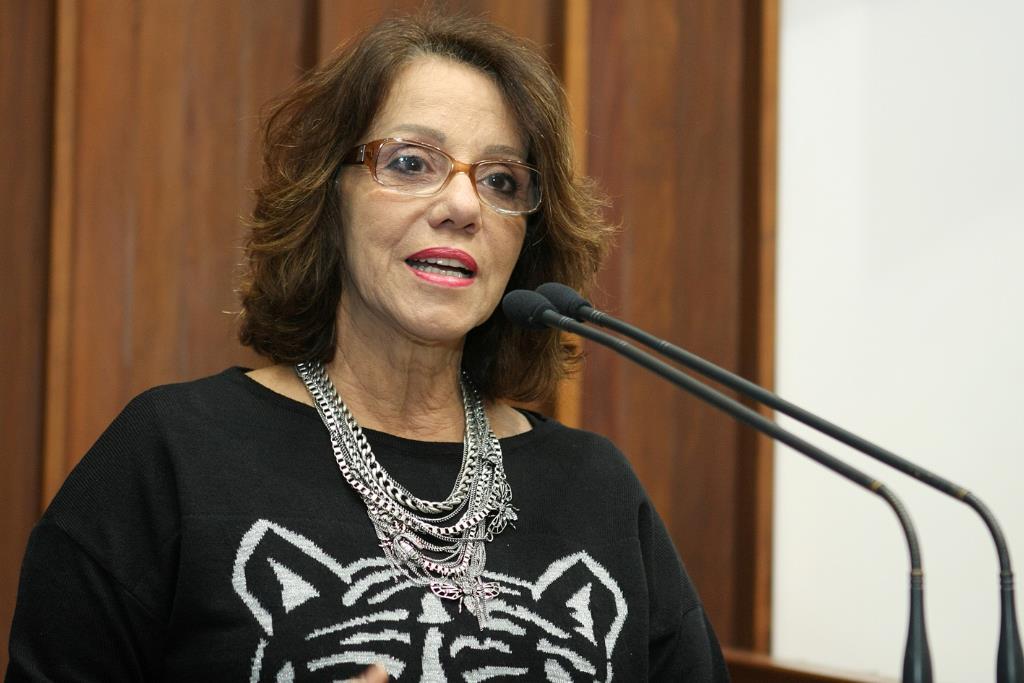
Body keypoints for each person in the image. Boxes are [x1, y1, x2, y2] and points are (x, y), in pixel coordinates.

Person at [6, 12, 728, 682]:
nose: (464, 204)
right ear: (329, 196)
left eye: (502, 180)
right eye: (412, 162)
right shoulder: (169, 456)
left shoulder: (599, 491)